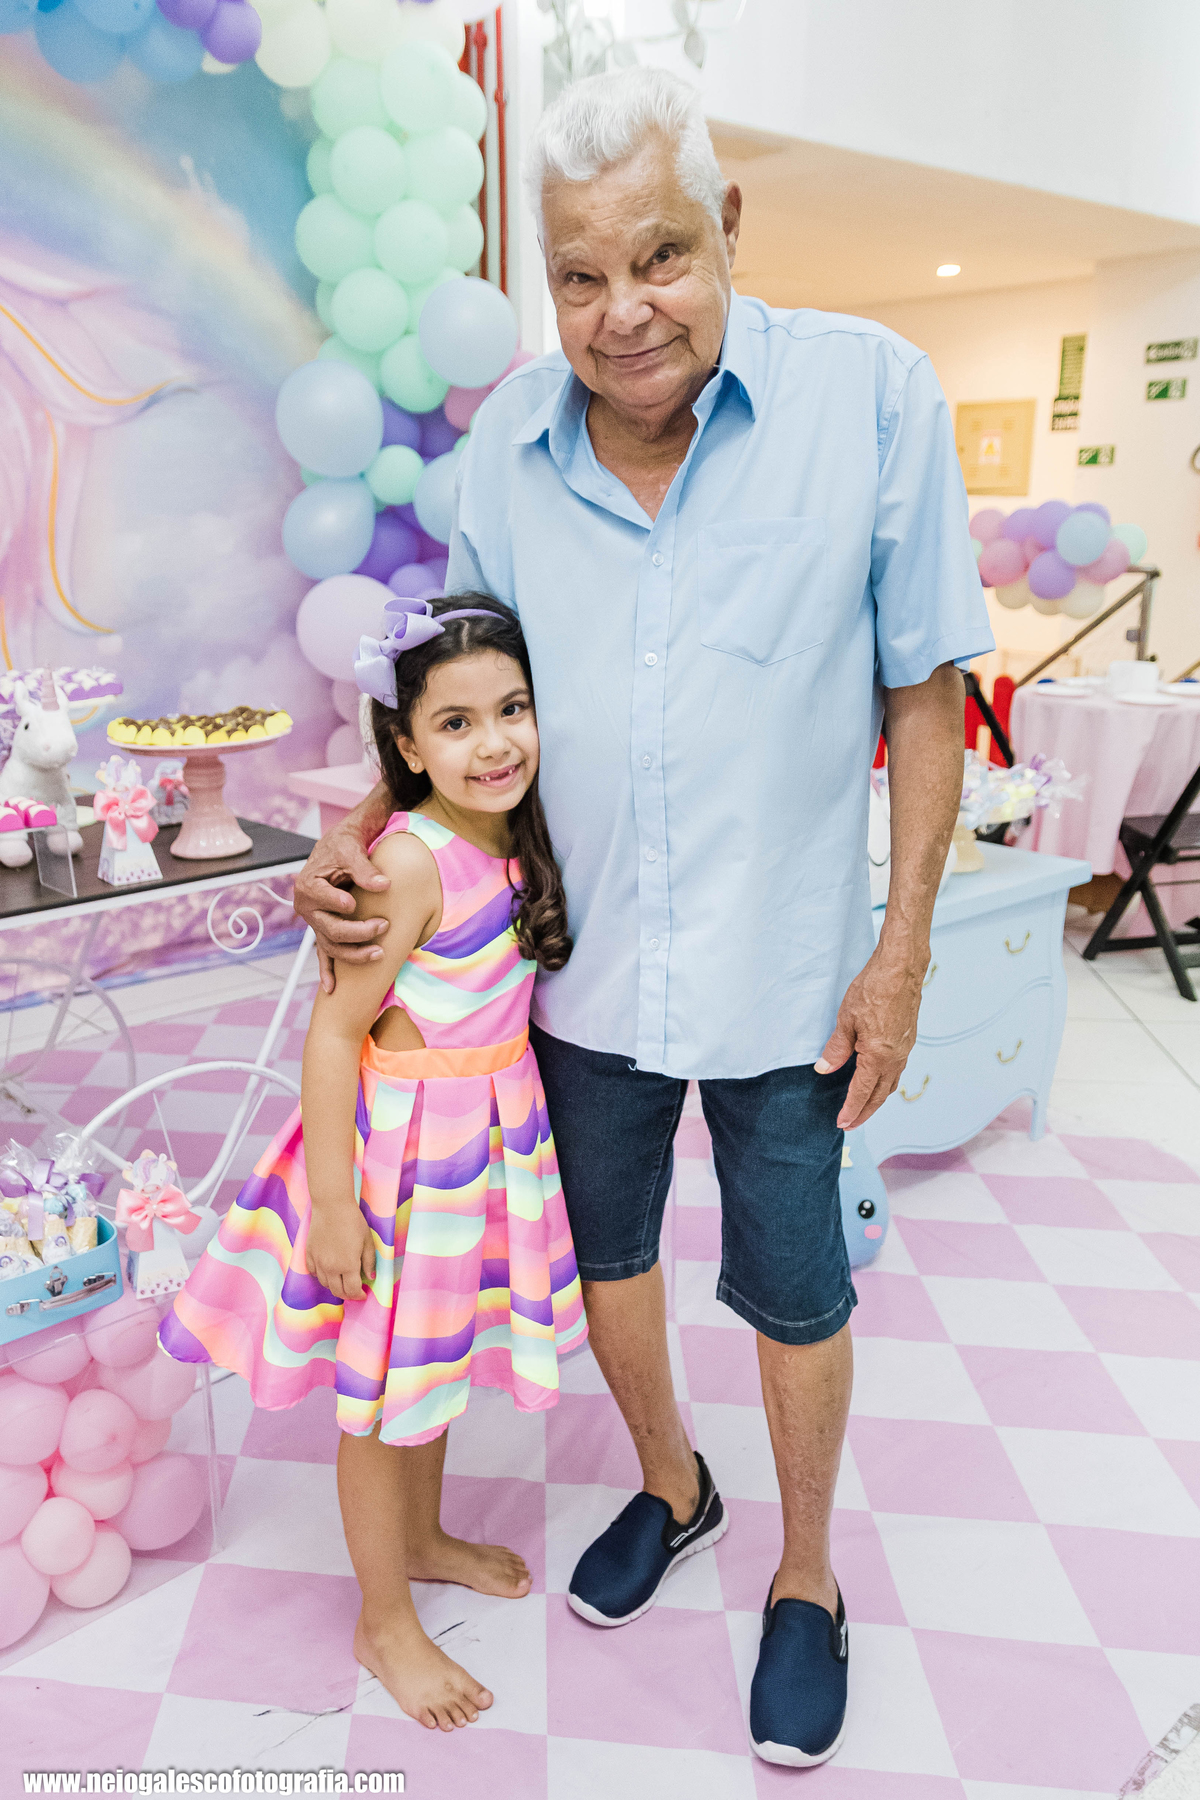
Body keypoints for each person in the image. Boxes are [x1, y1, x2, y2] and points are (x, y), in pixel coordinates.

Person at [293, 67, 994, 1767]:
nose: (624, 313)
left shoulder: (872, 397)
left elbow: (925, 692)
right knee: (608, 1261)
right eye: (581, 275)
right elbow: (454, 697)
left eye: (663, 257)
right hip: (575, 973)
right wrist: (363, 837)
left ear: (729, 224)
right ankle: (674, 1486)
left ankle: (806, 1578)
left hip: (788, 980)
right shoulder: (508, 449)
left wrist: (901, 954)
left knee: (797, 1290)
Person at [162, 595, 586, 1732]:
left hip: (483, 1143)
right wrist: (335, 1207)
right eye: (455, 723)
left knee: (429, 1365)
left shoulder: (514, 834)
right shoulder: (411, 861)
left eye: (511, 710)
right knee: (378, 1394)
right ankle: (383, 1619)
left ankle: (426, 1536)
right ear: (405, 744)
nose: (493, 743)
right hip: (403, 1159)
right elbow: (335, 1031)